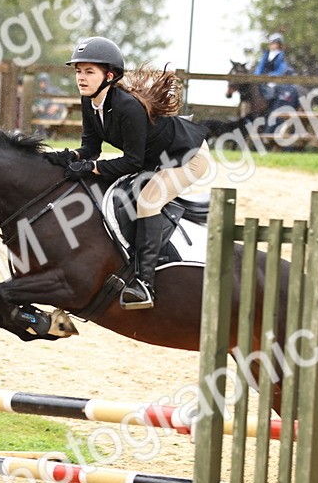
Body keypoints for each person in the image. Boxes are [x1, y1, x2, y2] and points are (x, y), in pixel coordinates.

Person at [52, 36, 214, 310]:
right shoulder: (90, 102)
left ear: (109, 75)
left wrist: (92, 167)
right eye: (78, 71)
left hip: (188, 157)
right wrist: (70, 157)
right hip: (154, 158)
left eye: (89, 71)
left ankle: (144, 284)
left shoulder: (128, 107)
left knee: (148, 201)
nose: (81, 78)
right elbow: (91, 147)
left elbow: (133, 162)